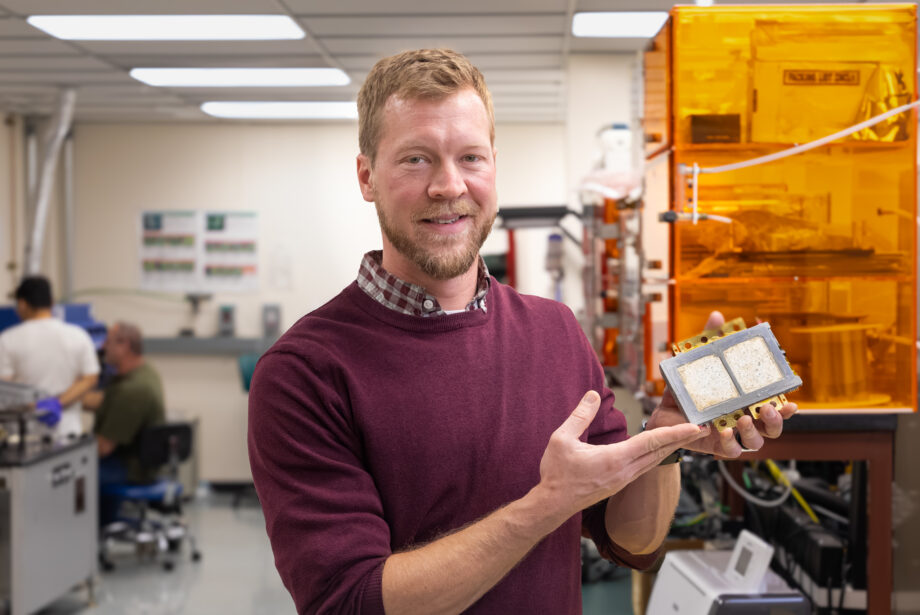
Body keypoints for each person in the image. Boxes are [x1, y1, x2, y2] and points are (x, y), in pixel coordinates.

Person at [247, 48, 797, 615]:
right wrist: (545, 506)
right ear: (367, 177)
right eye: (416, 159)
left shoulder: (554, 330)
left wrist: (665, 440)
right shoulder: (304, 372)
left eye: (471, 157)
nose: (448, 185)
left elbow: (629, 538)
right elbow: (350, 603)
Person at [83, 322, 165, 524]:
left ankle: (94, 531)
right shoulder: (144, 372)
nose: (102, 347)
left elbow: (103, 448)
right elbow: (105, 400)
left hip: (131, 468)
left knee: (72, 477)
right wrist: (66, 399)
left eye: (108, 342)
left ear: (124, 345)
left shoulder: (131, 390)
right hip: (140, 460)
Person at [0, 275, 99, 438]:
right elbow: (90, 378)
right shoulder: (78, 335)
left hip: (25, 435)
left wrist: (36, 406)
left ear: (22, 304)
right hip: (67, 431)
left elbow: (5, 389)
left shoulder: (8, 340)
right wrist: (57, 403)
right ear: (52, 302)